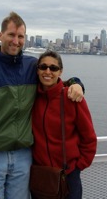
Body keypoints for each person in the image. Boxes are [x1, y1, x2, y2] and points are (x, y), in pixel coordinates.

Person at [0, 12, 85, 199]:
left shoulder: (31, 66)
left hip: (23, 158)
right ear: (0, 35)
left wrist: (76, 83)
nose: (15, 41)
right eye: (11, 35)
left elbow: (54, 80)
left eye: (20, 36)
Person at [31, 50, 97, 199]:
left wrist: (78, 166)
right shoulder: (32, 96)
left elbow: (89, 137)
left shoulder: (71, 97)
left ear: (60, 71)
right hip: (41, 174)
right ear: (37, 70)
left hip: (68, 175)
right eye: (43, 67)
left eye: (53, 68)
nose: (48, 71)